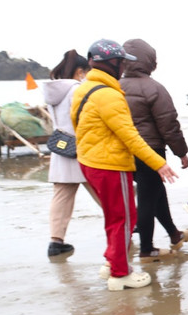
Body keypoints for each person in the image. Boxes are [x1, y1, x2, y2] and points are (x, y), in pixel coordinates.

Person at [71, 39, 178, 291]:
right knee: (124, 218)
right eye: (121, 63)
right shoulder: (109, 95)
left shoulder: (85, 89)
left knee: (114, 216)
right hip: (110, 164)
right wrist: (159, 164)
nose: (123, 68)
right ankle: (120, 274)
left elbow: (77, 124)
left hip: (89, 161)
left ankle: (111, 261)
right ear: (113, 63)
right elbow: (130, 136)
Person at [120, 38, 188, 260]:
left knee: (155, 192)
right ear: (150, 61)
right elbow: (168, 124)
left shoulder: (115, 87)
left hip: (124, 151)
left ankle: (174, 234)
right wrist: (181, 152)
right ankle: (147, 248)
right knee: (147, 197)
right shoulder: (153, 88)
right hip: (150, 150)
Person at [42, 50, 99, 257]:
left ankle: (56, 242)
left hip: (61, 147)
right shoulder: (78, 89)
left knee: (61, 196)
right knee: (103, 191)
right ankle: (129, 225)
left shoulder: (51, 90)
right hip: (81, 147)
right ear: (80, 71)